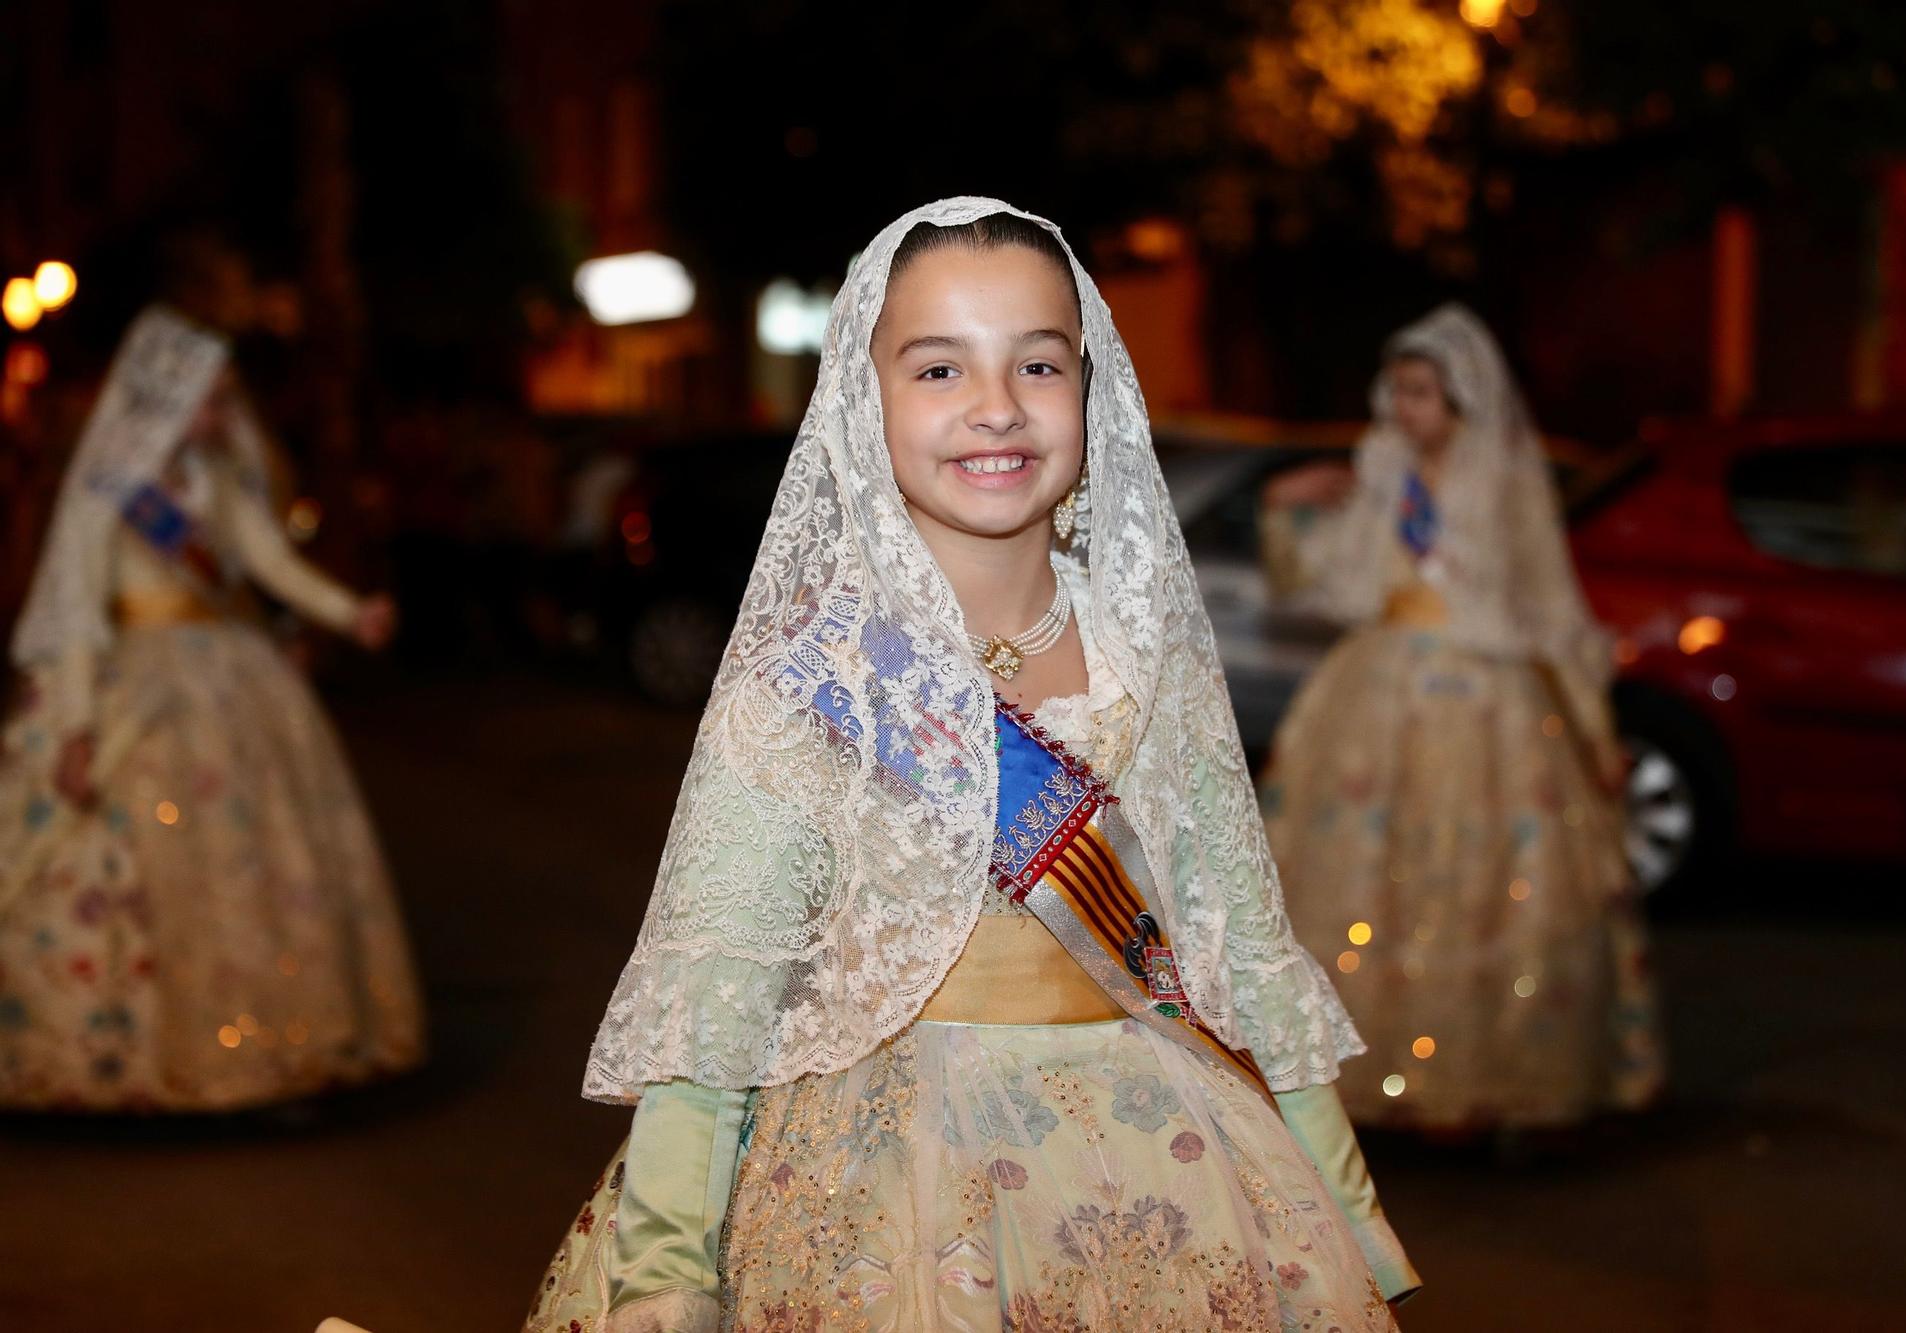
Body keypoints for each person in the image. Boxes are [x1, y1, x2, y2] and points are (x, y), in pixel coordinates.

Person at [523, 199, 1417, 1333]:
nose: (996, 407)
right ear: (865, 399)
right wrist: (665, 1268)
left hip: (1170, 1174)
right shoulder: (813, 686)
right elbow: (714, 1004)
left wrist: (1346, 1213)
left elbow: (1242, 956)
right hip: (882, 1199)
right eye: (937, 369)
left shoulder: (1149, 667)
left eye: (1037, 364)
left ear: (1088, 393)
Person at [0, 233, 425, 1111]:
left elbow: (268, 562)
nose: (222, 415)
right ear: (168, 397)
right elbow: (77, 612)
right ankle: (118, 1052)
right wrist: (75, 731)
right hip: (138, 682)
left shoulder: (212, 478)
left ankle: (267, 1039)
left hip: (233, 672)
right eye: (209, 400)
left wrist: (349, 611)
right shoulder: (108, 490)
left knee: (249, 869)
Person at [1259, 304, 1662, 1133]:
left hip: (1488, 697)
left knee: (1490, 879)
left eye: (1423, 392)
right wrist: (1284, 501)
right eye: (1398, 390)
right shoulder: (1383, 474)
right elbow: (1322, 574)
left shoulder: (1506, 480)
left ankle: (1495, 1070)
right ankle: (1361, 1071)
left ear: (1463, 399)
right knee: (1369, 868)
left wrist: (1589, 720)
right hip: (1382, 684)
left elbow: (1549, 603)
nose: (1406, 408)